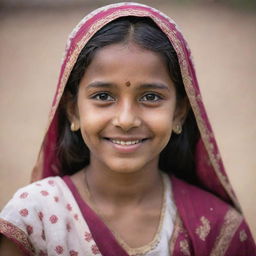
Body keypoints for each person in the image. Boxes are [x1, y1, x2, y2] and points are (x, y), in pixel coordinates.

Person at [0, 2, 255, 255]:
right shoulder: (36, 219)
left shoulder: (218, 229)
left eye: (151, 97)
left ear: (179, 112)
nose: (126, 119)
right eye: (103, 96)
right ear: (73, 110)